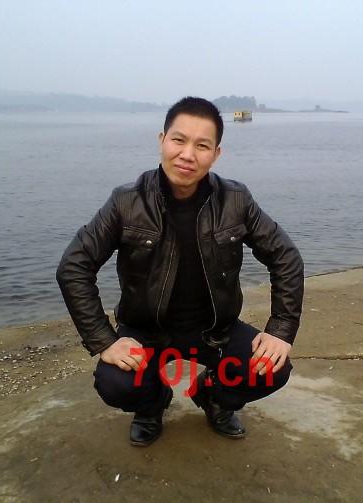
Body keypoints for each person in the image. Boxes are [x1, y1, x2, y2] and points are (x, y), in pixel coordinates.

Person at [56, 97, 304, 447]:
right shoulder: (126, 202)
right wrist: (105, 340)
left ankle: (214, 395)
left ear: (216, 154)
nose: (188, 154)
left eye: (202, 145)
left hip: (215, 331)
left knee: (272, 368)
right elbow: (74, 266)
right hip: (146, 332)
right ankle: (152, 403)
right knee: (116, 383)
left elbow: (285, 256)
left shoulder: (235, 200)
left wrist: (281, 328)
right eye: (178, 140)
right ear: (162, 141)